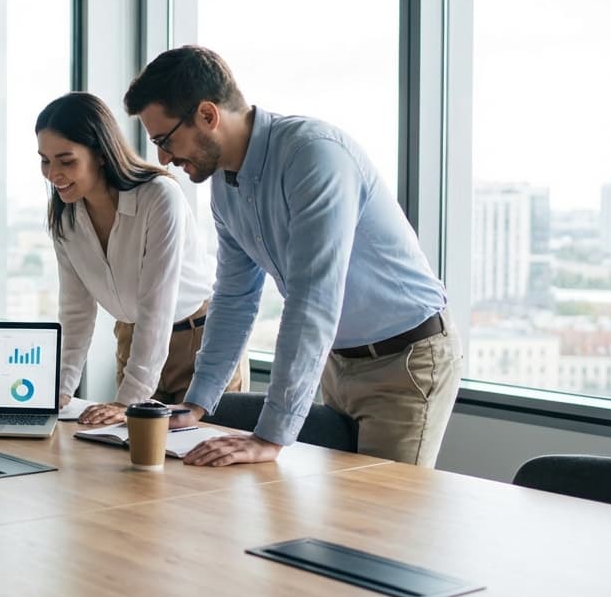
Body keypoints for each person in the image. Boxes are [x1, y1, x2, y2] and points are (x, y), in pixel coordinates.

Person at [123, 45, 460, 468]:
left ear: (207, 115)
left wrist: (269, 437)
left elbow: (313, 300)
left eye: (164, 140)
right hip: (339, 362)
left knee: (382, 506)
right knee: (340, 507)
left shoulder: (313, 156)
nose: (163, 159)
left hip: (407, 362)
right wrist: (198, 402)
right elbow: (234, 297)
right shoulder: (225, 189)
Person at [35, 92, 245, 425]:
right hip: (133, 340)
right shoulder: (65, 216)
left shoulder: (158, 196)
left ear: (100, 154)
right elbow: (76, 311)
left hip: (198, 344)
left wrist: (128, 400)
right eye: (45, 161)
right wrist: (59, 392)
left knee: (200, 453)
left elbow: (156, 306)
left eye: (66, 160)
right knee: (128, 452)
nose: (53, 174)